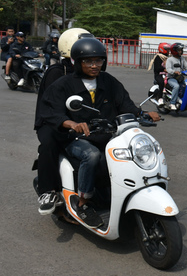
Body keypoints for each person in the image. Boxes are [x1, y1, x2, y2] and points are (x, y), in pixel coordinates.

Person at [39, 37, 160, 227]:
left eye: (98, 60)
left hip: (104, 134)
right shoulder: (63, 84)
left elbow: (124, 103)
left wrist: (142, 113)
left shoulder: (108, 81)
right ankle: (83, 203)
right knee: (92, 155)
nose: (94, 65)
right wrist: (70, 123)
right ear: (78, 62)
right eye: (88, 61)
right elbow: (51, 111)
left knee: (130, 152)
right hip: (74, 138)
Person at [35, 28, 92, 215]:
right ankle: (47, 191)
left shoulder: (87, 73)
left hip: (78, 121)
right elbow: (53, 107)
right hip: (50, 121)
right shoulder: (56, 72)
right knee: (50, 143)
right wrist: (68, 123)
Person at [165, 43, 187, 111]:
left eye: (181, 50)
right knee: (176, 86)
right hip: (172, 78)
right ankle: (172, 103)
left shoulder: (182, 59)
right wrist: (174, 71)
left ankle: (183, 101)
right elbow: (168, 69)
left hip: (180, 78)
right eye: (179, 50)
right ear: (174, 51)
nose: (181, 51)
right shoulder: (170, 59)